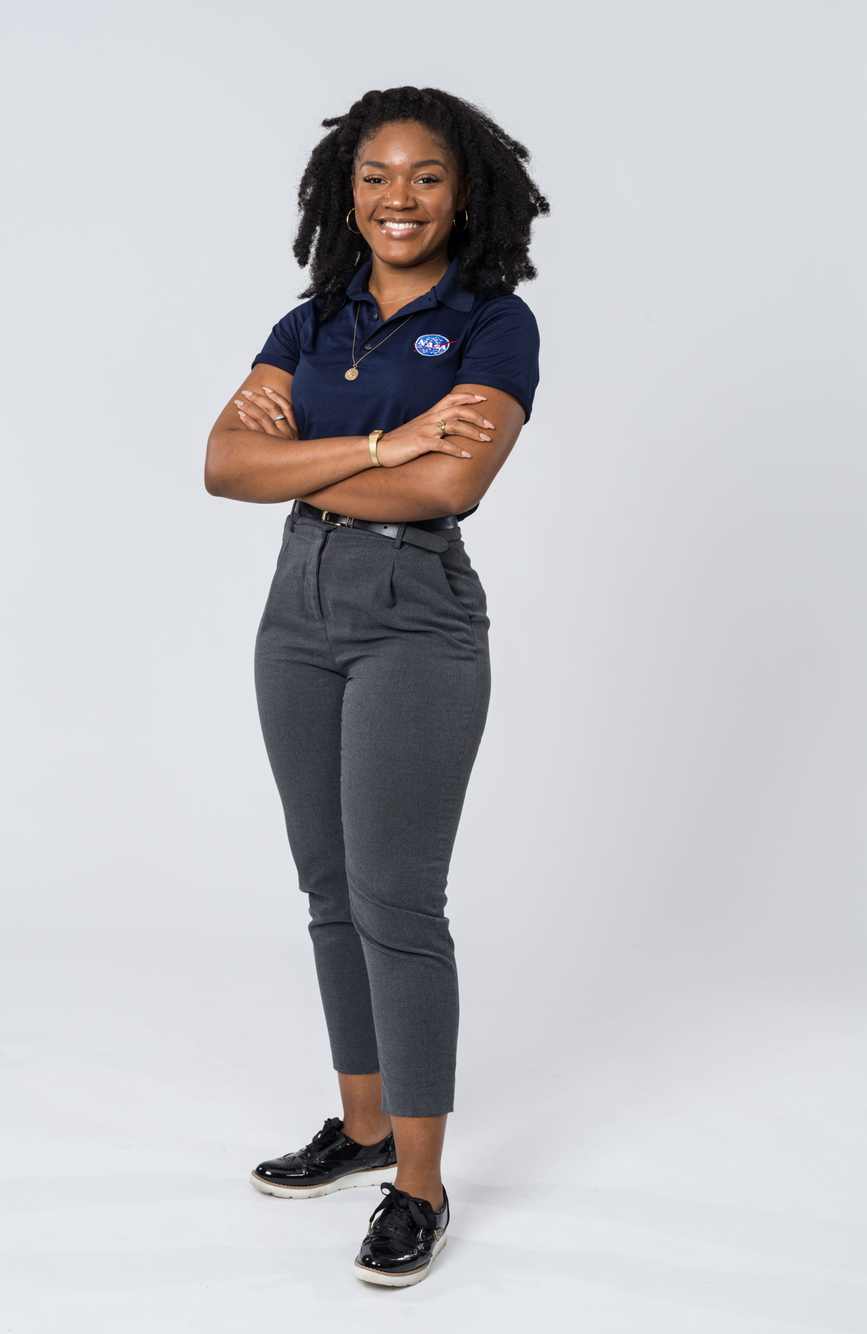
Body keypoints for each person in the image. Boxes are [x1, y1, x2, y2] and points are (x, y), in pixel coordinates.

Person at [205, 85, 548, 1287]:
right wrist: (380, 442)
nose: (396, 200)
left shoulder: (494, 325)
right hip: (295, 606)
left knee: (397, 897)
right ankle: (359, 1130)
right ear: (344, 192)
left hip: (416, 613)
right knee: (328, 883)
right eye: (374, 177)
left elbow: (444, 494)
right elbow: (222, 464)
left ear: (465, 193)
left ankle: (419, 1180)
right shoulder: (312, 320)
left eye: (424, 178)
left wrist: (323, 461)